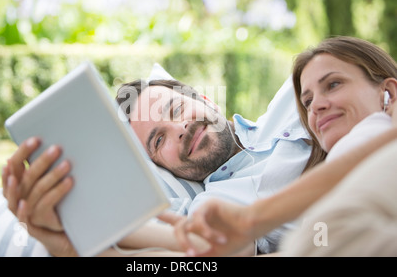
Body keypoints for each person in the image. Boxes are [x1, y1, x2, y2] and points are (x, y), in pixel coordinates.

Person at [2, 66, 312, 256]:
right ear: (160, 167)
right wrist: (76, 242)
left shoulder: (297, 92)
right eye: (159, 140)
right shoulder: (212, 208)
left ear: (206, 100)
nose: (179, 130)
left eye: (176, 110)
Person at [162, 36, 397, 256]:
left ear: (389, 92)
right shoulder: (211, 204)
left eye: (333, 84)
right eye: (307, 102)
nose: (315, 107)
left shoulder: (376, 132)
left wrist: (250, 219)